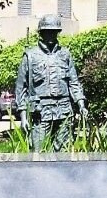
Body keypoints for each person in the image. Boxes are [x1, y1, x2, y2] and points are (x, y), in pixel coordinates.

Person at [15, 14, 87, 151]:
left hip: (64, 111)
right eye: (47, 32)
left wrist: (81, 103)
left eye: (53, 32)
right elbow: (21, 88)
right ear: (41, 33)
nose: (50, 35)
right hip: (41, 112)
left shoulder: (65, 54)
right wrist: (23, 116)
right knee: (39, 152)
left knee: (64, 152)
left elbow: (73, 82)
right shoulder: (30, 56)